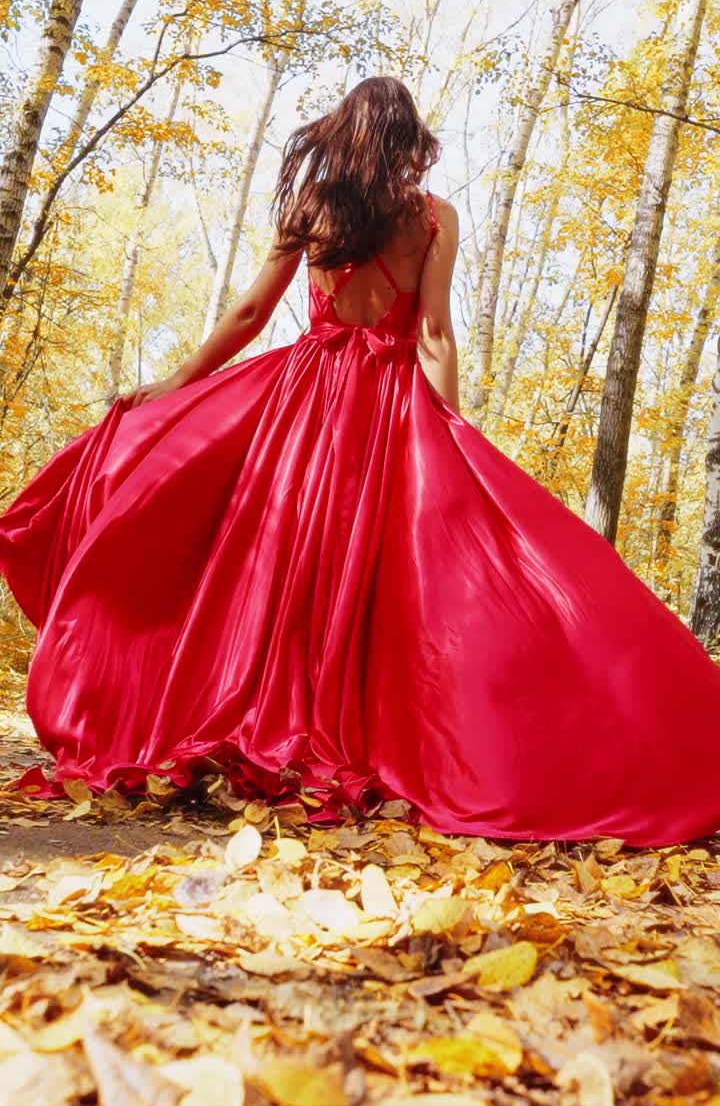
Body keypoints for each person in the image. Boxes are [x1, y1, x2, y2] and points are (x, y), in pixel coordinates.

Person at [1, 76, 719, 848]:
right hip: (389, 406)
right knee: (383, 576)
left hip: (303, 407)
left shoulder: (311, 208)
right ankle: (357, 728)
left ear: (343, 132)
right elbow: (435, 333)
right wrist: (448, 428)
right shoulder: (433, 216)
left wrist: (180, 381)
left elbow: (248, 312)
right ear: (409, 140)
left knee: (271, 562)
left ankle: (238, 711)